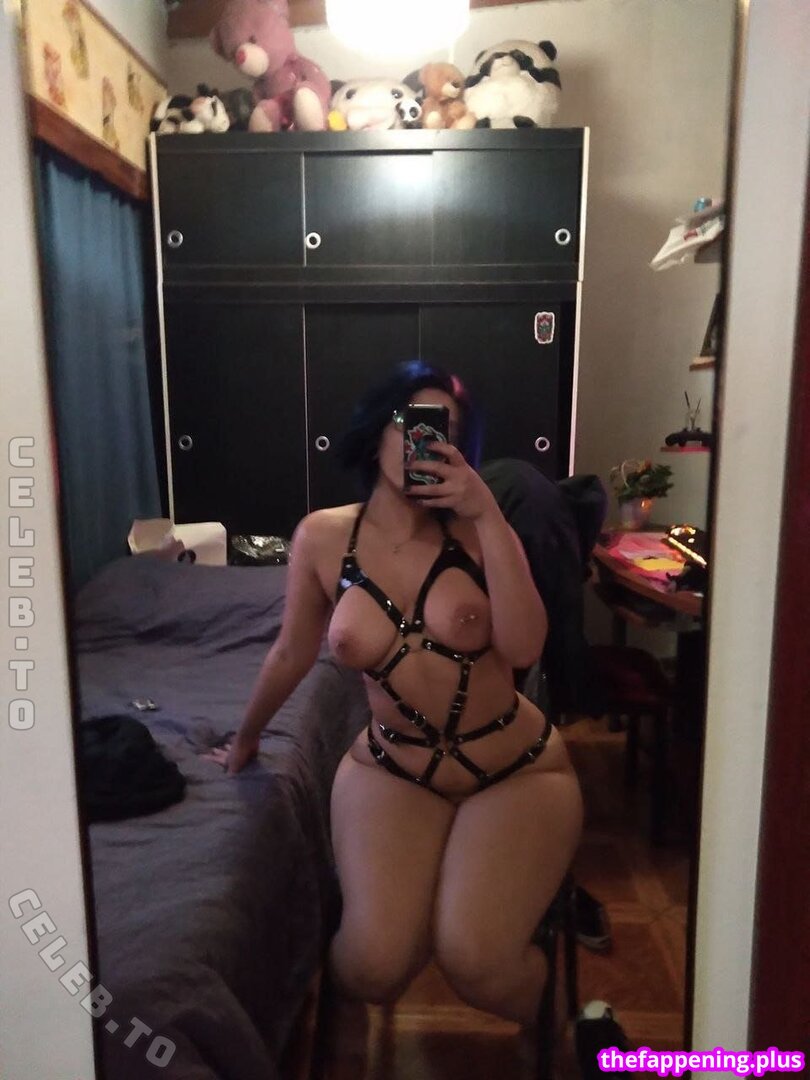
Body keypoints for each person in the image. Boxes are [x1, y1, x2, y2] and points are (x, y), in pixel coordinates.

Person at [206, 360, 586, 1046]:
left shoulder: (482, 531)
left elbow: (525, 646)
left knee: (477, 961)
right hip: (393, 769)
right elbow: (291, 652)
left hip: (515, 771)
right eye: (412, 423)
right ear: (376, 431)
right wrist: (246, 738)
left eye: (447, 431)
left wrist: (488, 515)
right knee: (370, 966)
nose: (426, 442)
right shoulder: (323, 537)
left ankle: (565, 1029)